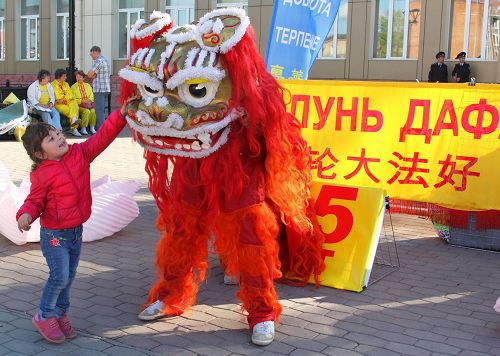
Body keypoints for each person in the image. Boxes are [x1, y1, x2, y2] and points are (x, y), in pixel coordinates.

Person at [16, 96, 137, 344]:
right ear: (39, 153)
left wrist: (121, 115)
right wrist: (25, 215)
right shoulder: (41, 175)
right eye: (51, 139)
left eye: (58, 133)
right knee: (59, 276)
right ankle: (44, 315)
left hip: (75, 232)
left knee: (69, 277)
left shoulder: (79, 153)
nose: (60, 138)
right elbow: (35, 200)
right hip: (54, 235)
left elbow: (102, 137)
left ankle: (60, 315)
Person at [52, 68, 82, 137]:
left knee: (74, 103)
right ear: (60, 77)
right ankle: (74, 128)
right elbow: (58, 97)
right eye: (64, 76)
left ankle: (74, 123)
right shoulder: (53, 85)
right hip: (59, 105)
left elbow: (71, 95)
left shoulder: (66, 84)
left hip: (68, 102)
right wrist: (66, 98)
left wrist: (65, 98)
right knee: (71, 111)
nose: (66, 78)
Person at [87, 46, 110, 130]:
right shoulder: (105, 60)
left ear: (95, 52)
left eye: (91, 53)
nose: (90, 55)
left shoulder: (99, 61)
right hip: (105, 88)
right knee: (102, 111)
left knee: (99, 111)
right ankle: (104, 129)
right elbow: (94, 74)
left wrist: (92, 74)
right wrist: (94, 74)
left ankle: (101, 131)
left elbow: (90, 74)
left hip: (99, 89)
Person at [71, 70, 97, 135]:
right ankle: (83, 128)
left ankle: (92, 127)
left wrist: (89, 100)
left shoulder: (87, 85)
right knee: (87, 111)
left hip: (88, 104)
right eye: (77, 77)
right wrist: (82, 101)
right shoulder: (73, 87)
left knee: (93, 111)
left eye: (80, 77)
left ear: (83, 78)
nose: (78, 78)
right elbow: (73, 99)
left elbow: (91, 95)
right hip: (79, 105)